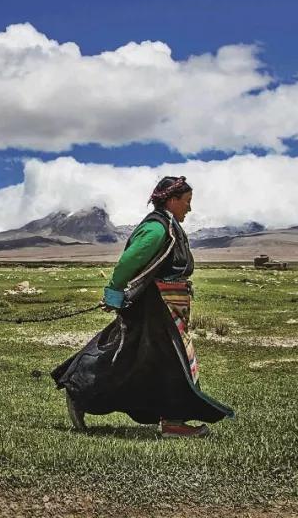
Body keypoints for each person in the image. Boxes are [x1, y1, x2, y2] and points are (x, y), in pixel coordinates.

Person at [51, 176, 234, 437]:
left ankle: (167, 419)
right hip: (156, 308)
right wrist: (113, 292)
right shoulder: (158, 229)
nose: (189, 209)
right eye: (187, 202)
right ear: (172, 201)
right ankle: (82, 391)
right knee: (170, 361)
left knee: (145, 360)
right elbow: (128, 263)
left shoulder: (168, 226)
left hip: (169, 308)